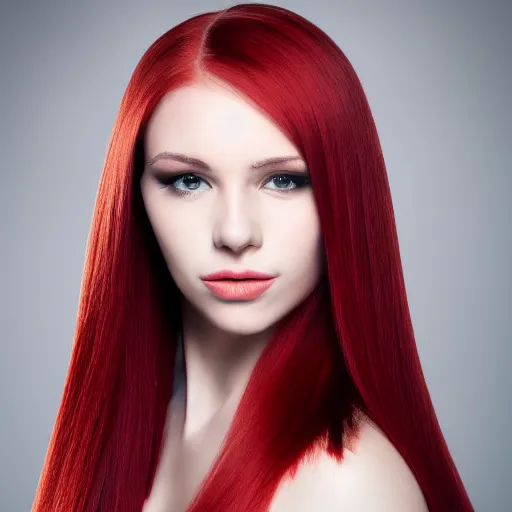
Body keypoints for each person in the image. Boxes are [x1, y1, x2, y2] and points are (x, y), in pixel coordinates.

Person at [31, 3, 474, 511]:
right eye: (188, 181)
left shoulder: (344, 485)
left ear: (345, 195)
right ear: (133, 197)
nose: (235, 232)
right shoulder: (124, 424)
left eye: (283, 180)